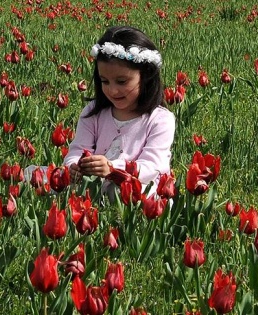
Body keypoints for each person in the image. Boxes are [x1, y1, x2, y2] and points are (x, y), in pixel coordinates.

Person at [63, 25, 175, 200]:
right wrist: (74, 166)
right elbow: (78, 148)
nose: (112, 90)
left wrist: (113, 169)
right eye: (104, 81)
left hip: (135, 185)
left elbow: (153, 166)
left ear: (145, 76)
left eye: (122, 81)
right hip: (93, 183)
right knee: (39, 177)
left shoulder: (160, 119)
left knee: (142, 196)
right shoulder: (94, 112)